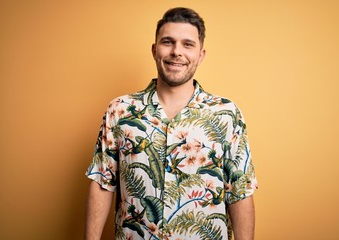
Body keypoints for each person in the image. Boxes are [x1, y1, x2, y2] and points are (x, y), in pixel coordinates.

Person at [85, 7, 258, 240]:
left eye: (188, 44)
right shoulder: (120, 110)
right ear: (155, 50)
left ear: (201, 54)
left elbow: (240, 191)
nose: (177, 52)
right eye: (168, 42)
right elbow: (102, 182)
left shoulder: (226, 114)